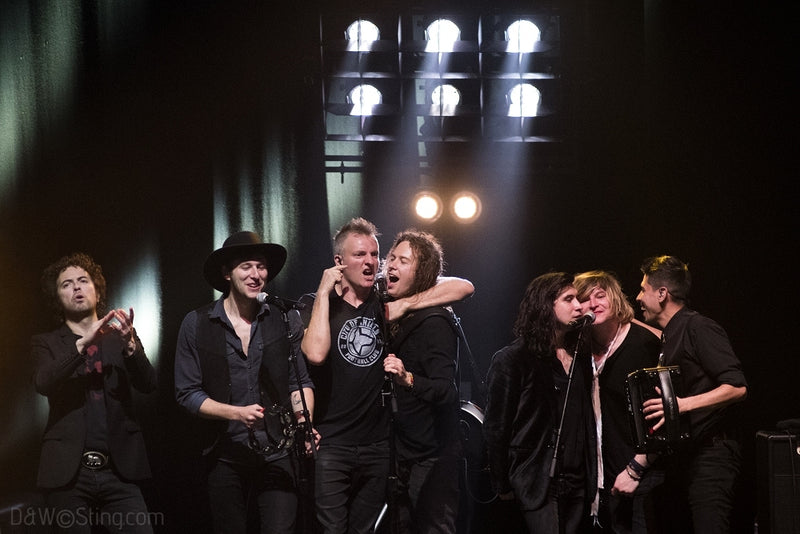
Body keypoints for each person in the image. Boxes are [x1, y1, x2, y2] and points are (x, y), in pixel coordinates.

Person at [298, 217, 474, 534]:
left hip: (380, 446)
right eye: (361, 255)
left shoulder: (384, 299)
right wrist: (323, 292)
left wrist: (406, 303)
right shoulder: (319, 304)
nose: (374, 263)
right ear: (338, 262)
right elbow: (314, 354)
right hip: (334, 444)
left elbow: (464, 286)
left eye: (376, 255)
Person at [174, 231, 316, 534]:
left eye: (261, 267)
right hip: (226, 454)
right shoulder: (198, 323)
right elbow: (186, 394)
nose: (256, 275)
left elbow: (299, 382)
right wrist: (236, 413)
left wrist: (304, 422)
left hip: (278, 449)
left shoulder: (284, 317)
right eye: (246, 267)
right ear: (227, 273)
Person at [32, 252, 157, 533]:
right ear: (57, 296)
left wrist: (130, 347)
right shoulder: (46, 342)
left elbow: (148, 384)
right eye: (66, 284)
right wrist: (83, 344)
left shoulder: (121, 336)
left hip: (120, 470)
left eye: (83, 280)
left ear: (97, 289)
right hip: (69, 474)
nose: (76, 287)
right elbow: (44, 382)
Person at [634, 255, 747, 533]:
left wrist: (680, 405)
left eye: (642, 289)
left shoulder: (698, 327)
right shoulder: (672, 333)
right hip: (687, 456)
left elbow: (737, 386)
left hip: (711, 456)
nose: (638, 297)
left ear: (662, 294)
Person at [483, 272, 597, 534]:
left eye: (577, 299)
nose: (579, 306)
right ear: (546, 304)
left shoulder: (579, 355)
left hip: (578, 480)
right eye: (569, 299)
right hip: (537, 480)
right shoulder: (513, 359)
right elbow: (496, 427)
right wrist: (502, 483)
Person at [381, 230, 462, 534]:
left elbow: (445, 390)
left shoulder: (434, 321)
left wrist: (408, 378)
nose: (392, 266)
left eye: (404, 261)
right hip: (400, 452)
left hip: (431, 455)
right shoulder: (388, 305)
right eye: (391, 258)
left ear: (423, 271)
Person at [573, 271, 662, 533]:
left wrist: (636, 468)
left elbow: (663, 415)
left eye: (600, 296)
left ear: (615, 299)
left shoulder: (643, 344)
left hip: (642, 473)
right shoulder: (579, 348)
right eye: (585, 299)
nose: (594, 304)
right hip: (600, 479)